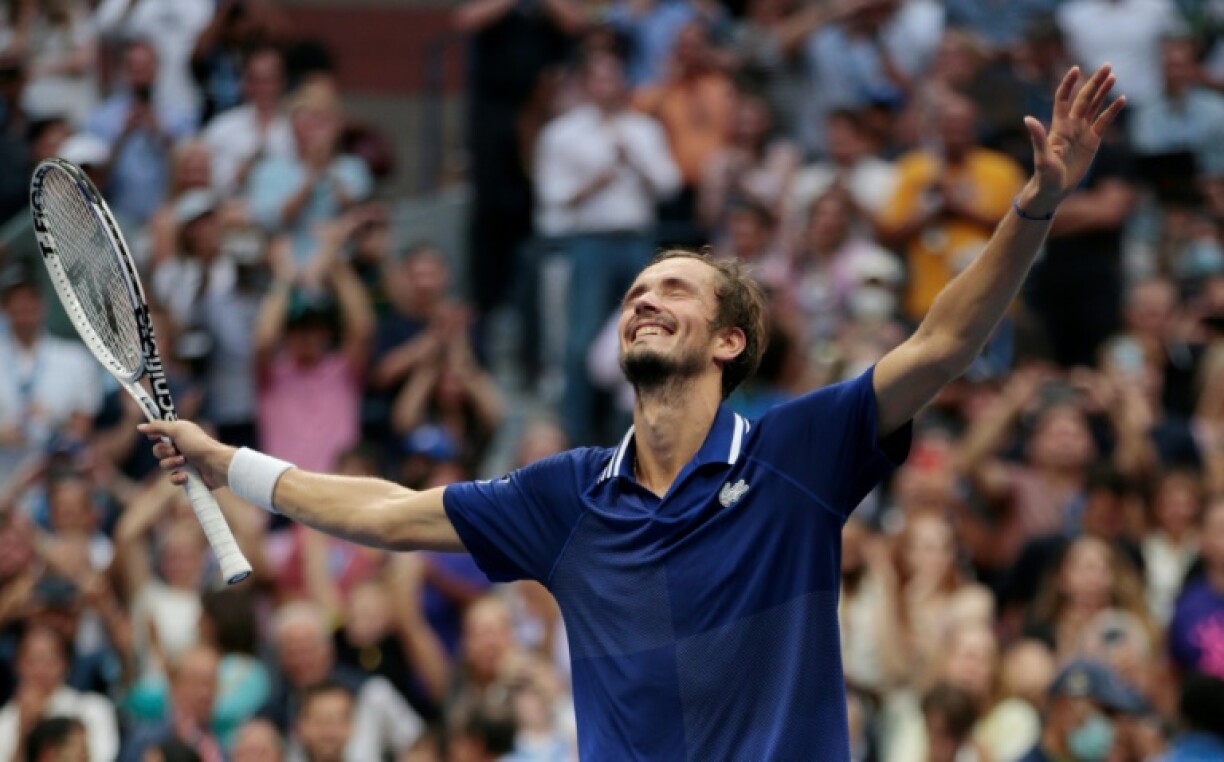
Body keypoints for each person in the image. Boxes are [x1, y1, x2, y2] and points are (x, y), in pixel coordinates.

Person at [142, 65, 1127, 758]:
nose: (644, 299)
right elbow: (386, 513)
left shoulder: (796, 451)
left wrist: (1034, 206)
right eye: (637, 292)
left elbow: (943, 344)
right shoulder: (566, 498)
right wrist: (228, 462)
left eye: (676, 292)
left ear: (729, 341)